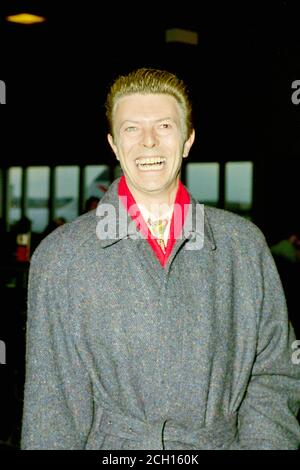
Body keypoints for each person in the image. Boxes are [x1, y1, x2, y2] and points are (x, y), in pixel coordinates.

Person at [21, 67, 300, 450]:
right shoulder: (62, 258)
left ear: (188, 140)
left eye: (165, 126)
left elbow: (273, 374)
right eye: (132, 128)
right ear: (114, 144)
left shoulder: (242, 246)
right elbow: (50, 405)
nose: (148, 142)